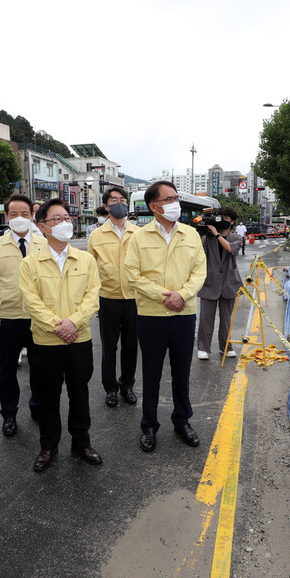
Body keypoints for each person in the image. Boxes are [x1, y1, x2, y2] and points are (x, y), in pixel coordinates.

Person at [20, 199, 102, 472]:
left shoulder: (86, 259)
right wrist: (59, 325)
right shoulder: (30, 263)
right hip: (46, 342)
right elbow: (31, 302)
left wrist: (73, 323)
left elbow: (92, 298)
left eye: (67, 217)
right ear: (42, 227)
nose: (65, 222)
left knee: (80, 393)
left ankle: (82, 442)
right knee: (48, 396)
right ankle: (48, 446)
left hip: (79, 340)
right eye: (57, 219)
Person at [124, 181, 206, 453]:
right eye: (169, 199)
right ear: (154, 206)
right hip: (151, 315)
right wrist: (164, 296)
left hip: (184, 313)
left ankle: (182, 421)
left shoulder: (191, 234)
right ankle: (149, 425)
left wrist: (182, 295)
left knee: (182, 370)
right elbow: (133, 275)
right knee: (151, 372)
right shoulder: (139, 237)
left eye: (175, 198)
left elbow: (199, 272)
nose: (175, 204)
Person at [0, 193, 46, 437]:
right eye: (14, 214)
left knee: (40, 367)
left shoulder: (44, 245)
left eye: (25, 214)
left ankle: (38, 407)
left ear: (32, 216)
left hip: (38, 318)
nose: (20, 218)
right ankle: (9, 413)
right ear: (7, 216)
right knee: (7, 368)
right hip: (8, 317)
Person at [87, 186, 140, 408]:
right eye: (114, 200)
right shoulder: (96, 235)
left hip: (134, 298)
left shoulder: (138, 233)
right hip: (107, 297)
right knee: (109, 346)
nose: (119, 203)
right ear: (106, 205)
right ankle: (110, 388)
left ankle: (127, 385)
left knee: (130, 346)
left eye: (123, 200)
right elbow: (90, 266)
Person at [195, 206, 242, 361]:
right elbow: (199, 256)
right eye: (221, 217)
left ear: (233, 221)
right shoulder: (207, 238)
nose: (223, 220)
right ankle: (203, 347)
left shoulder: (236, 238)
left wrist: (217, 235)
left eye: (226, 218)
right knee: (205, 318)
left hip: (229, 283)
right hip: (210, 283)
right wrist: (208, 233)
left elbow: (231, 250)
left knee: (226, 319)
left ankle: (226, 346)